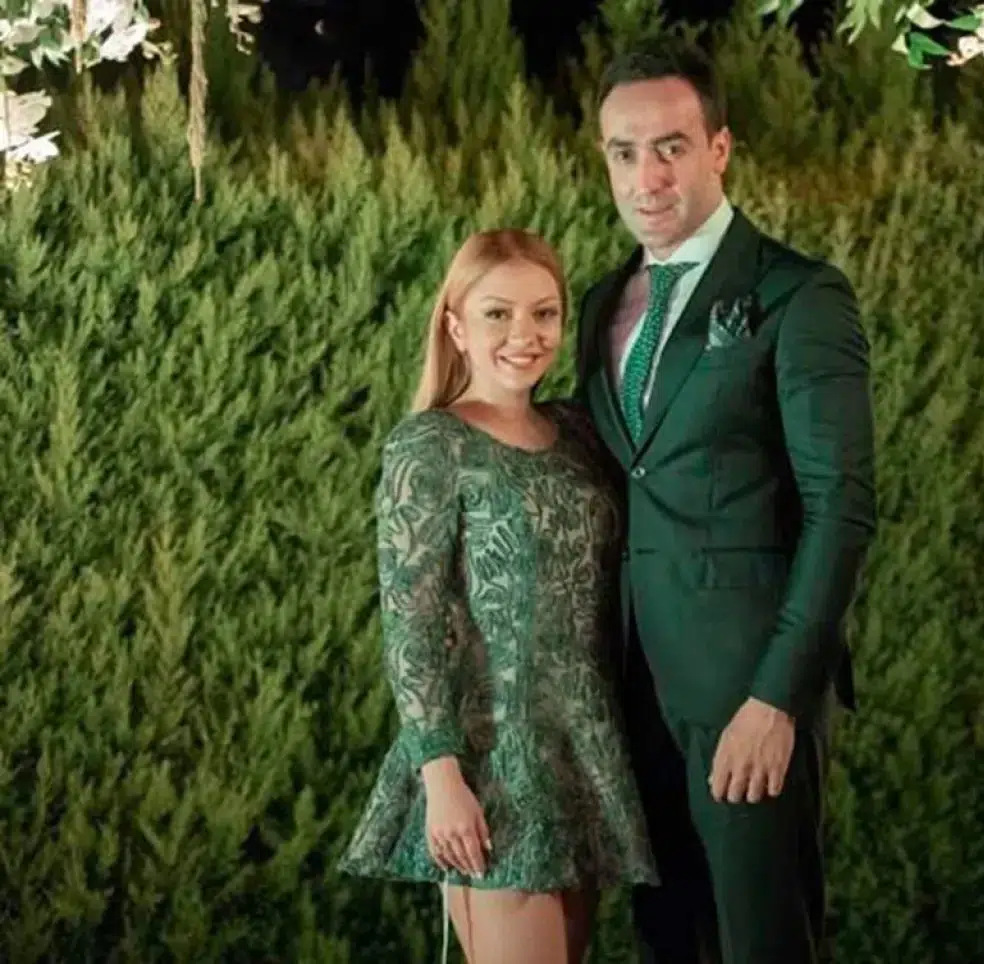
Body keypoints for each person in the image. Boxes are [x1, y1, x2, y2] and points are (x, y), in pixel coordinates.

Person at [573, 37, 877, 964]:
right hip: (631, 696)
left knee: (763, 944)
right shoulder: (599, 304)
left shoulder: (798, 294)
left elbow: (840, 507)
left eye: (670, 147)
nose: (647, 177)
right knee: (668, 944)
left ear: (719, 148)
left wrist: (777, 698)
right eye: (625, 152)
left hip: (746, 696)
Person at [340, 228, 658, 964]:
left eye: (544, 313)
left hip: (581, 750)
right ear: (456, 326)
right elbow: (411, 622)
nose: (525, 334)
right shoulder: (430, 444)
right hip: (489, 765)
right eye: (497, 313)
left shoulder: (579, 431)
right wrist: (441, 776)